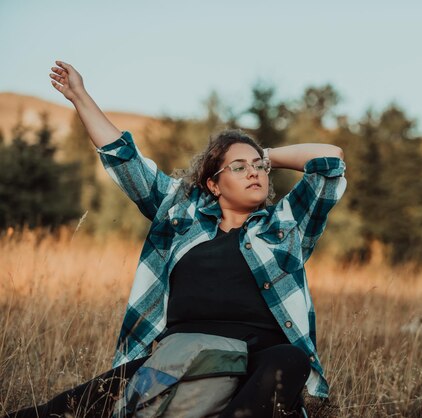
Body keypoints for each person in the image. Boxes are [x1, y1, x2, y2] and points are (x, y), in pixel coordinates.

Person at [7, 61, 346, 417]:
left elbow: (330, 161)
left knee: (290, 358)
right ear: (212, 185)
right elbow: (125, 160)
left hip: (257, 364)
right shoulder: (181, 214)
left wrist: (268, 155)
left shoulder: (286, 224)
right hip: (179, 358)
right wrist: (78, 95)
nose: (254, 173)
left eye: (258, 167)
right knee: (72, 406)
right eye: (238, 167)